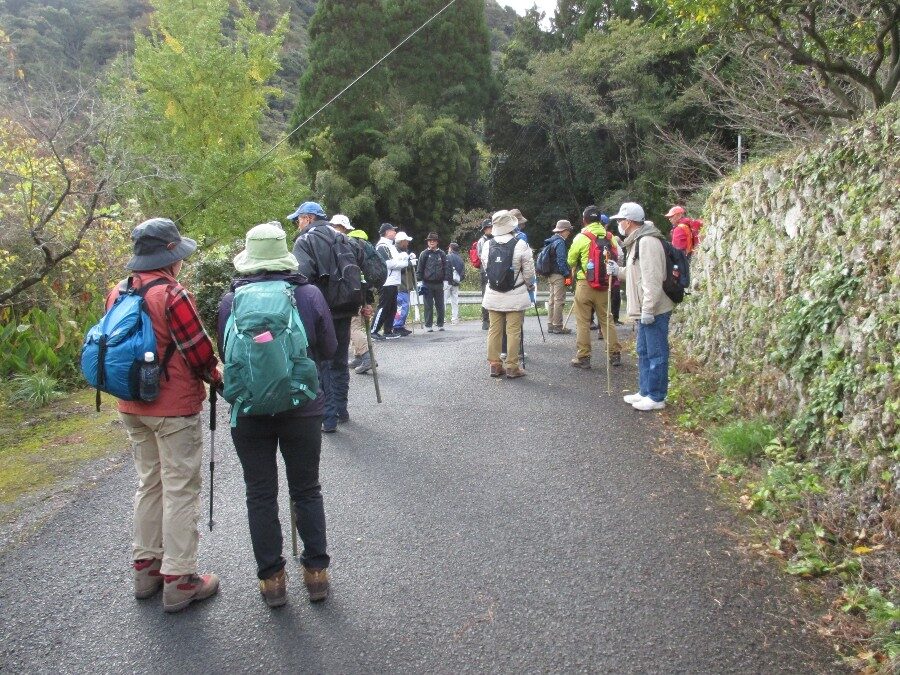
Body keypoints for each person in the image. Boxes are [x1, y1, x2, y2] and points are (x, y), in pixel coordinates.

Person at [217, 223, 337, 608]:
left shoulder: (229, 301)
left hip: (250, 411)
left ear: (249, 259)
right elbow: (330, 348)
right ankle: (316, 573)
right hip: (303, 407)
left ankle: (272, 581)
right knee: (306, 489)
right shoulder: (309, 293)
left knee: (260, 494)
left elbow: (225, 354)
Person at [110, 218, 222, 613]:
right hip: (172, 408)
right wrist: (218, 377)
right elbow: (199, 353)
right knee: (179, 487)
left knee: (149, 483)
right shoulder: (173, 295)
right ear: (170, 257)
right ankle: (180, 580)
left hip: (130, 405)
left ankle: (146, 570)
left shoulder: (119, 291)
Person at [289, 201, 373, 433]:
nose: (297, 224)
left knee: (320, 361)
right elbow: (363, 274)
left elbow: (301, 278)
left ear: (308, 218)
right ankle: (341, 410)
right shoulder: (345, 239)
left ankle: (327, 417)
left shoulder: (305, 241)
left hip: (320, 310)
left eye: (298, 219)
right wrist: (366, 302)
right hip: (346, 308)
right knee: (338, 360)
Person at [607, 202, 674, 411]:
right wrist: (618, 270)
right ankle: (645, 391)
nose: (619, 224)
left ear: (629, 221)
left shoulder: (647, 241)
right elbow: (635, 272)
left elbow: (653, 278)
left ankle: (656, 396)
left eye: (620, 220)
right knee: (644, 351)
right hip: (646, 308)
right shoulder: (637, 240)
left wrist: (648, 309)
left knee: (656, 352)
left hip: (654, 308)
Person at [481, 210, 535, 378]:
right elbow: (528, 272)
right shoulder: (520, 244)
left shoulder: (487, 245)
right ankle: (512, 366)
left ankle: (495, 365)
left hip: (493, 292)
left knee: (494, 329)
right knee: (513, 330)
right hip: (515, 292)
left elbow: (486, 268)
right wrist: (529, 285)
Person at [567, 205, 622, 369]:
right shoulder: (610, 236)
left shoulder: (581, 237)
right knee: (606, 319)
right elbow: (616, 257)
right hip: (605, 284)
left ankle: (583, 357)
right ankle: (614, 354)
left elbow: (570, 260)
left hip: (585, 283)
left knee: (583, 321)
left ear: (584, 220)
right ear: (600, 220)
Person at [371, 223, 407, 341]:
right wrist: (406, 263)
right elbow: (390, 263)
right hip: (386, 281)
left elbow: (396, 259)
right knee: (383, 306)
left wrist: (405, 257)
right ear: (387, 232)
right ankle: (373, 330)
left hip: (393, 281)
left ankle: (388, 330)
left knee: (392, 307)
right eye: (393, 230)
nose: (395, 232)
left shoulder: (390, 246)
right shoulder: (382, 246)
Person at [543, 220, 573, 334]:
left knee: (552, 300)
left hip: (550, 274)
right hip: (558, 275)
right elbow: (561, 260)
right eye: (568, 230)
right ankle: (558, 326)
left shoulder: (551, 240)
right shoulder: (560, 242)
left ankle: (550, 324)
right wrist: (566, 274)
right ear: (564, 231)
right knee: (559, 300)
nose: (569, 233)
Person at [416, 232, 451, 332]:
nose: (431, 242)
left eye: (433, 240)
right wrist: (419, 281)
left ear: (437, 242)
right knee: (428, 305)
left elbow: (446, 268)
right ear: (427, 242)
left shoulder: (442, 254)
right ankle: (428, 325)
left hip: (439, 283)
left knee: (440, 305)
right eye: (430, 240)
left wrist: (446, 281)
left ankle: (440, 324)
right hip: (427, 283)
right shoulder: (424, 254)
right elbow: (420, 268)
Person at [393, 231, 416, 337]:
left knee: (404, 306)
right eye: (406, 242)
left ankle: (400, 325)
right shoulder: (395, 252)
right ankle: (397, 326)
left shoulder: (404, 252)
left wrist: (410, 261)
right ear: (402, 242)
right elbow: (398, 267)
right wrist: (409, 262)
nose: (407, 244)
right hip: (400, 285)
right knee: (402, 306)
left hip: (405, 285)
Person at [476, 218, 493, 330]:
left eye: (491, 227)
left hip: (495, 269)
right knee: (485, 294)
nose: (490, 229)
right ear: (484, 229)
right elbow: (481, 256)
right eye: (488, 228)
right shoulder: (482, 241)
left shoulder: (496, 239)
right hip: (485, 270)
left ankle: (493, 319)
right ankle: (485, 320)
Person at [445, 242, 465, 324]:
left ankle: (442, 318)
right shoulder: (460, 259)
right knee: (455, 301)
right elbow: (463, 272)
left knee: (443, 300)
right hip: (456, 282)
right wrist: (459, 279)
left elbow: (445, 269)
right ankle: (455, 319)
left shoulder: (447, 257)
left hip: (447, 281)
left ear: (451, 248)